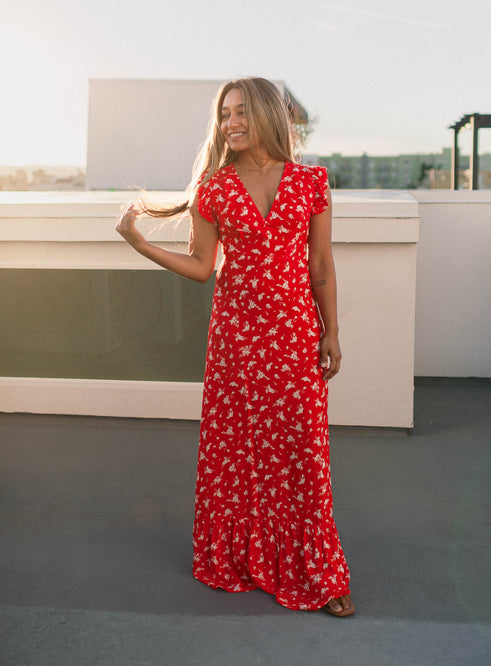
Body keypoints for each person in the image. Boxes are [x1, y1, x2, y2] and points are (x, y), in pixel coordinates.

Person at [116, 77, 354, 617]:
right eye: (224, 115)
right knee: (239, 454)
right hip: (237, 343)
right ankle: (240, 557)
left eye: (241, 112)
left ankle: (321, 571)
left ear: (268, 114)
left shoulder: (312, 181)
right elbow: (203, 269)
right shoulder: (215, 187)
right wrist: (142, 244)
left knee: (303, 453)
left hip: (294, 337)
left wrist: (331, 331)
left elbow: (320, 266)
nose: (231, 124)